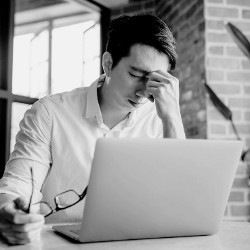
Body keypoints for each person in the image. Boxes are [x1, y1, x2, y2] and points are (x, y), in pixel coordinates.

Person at [0, 13, 185, 245]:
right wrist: (10, 211)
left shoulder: (162, 120)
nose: (144, 91)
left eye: (157, 80)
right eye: (136, 75)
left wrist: (173, 117)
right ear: (108, 63)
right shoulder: (50, 112)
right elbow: (19, 183)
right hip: (58, 243)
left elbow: (179, 200)